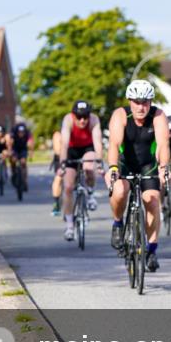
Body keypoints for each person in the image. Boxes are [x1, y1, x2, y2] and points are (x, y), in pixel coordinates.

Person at [104, 80, 171, 272]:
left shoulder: (158, 116)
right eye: (136, 102)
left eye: (145, 102)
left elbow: (164, 144)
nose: (141, 107)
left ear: (150, 102)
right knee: (120, 190)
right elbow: (115, 144)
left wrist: (164, 167)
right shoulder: (120, 115)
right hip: (124, 163)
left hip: (147, 165)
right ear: (130, 101)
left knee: (152, 200)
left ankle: (152, 249)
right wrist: (114, 167)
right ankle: (118, 223)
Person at [57, 100, 104, 241]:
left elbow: (97, 143)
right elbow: (64, 143)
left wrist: (100, 163)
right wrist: (62, 165)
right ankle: (70, 226)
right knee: (68, 187)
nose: (82, 120)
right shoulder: (68, 120)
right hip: (71, 150)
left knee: (89, 166)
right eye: (79, 117)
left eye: (85, 117)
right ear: (73, 115)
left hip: (87, 148)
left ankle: (90, 193)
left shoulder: (94, 120)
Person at [9, 122, 34, 191]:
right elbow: (10, 143)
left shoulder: (27, 133)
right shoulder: (14, 134)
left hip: (23, 149)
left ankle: (24, 181)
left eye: (22, 132)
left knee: (23, 162)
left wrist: (31, 153)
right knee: (13, 160)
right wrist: (10, 151)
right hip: (15, 149)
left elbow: (31, 143)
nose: (21, 134)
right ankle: (14, 173)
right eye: (20, 132)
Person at [50, 129, 63, 216]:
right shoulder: (58, 134)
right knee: (59, 178)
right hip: (61, 159)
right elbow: (58, 151)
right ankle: (56, 203)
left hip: (75, 156)